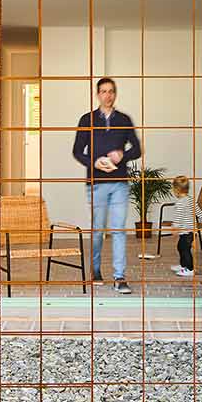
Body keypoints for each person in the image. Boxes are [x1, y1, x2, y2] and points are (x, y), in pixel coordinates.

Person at [71, 77, 140, 294]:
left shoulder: (124, 119)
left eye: (111, 91)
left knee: (119, 230)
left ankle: (119, 277)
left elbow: (137, 149)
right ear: (97, 94)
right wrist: (94, 162)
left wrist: (122, 155)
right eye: (103, 91)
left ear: (115, 94)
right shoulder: (86, 119)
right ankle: (96, 271)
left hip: (119, 183)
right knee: (98, 231)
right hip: (96, 183)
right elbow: (77, 151)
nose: (107, 95)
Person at [169, 175, 200, 279]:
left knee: (185, 249)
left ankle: (190, 269)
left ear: (176, 189)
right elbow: (198, 211)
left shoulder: (180, 203)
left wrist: (174, 228)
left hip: (186, 232)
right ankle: (183, 266)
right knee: (181, 248)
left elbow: (178, 218)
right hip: (191, 231)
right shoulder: (190, 199)